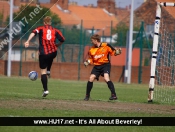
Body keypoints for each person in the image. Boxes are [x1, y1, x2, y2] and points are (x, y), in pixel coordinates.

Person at [24, 16, 65, 97]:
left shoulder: (40, 28)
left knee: (43, 72)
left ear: (44, 22)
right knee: (51, 56)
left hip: (43, 53)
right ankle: (49, 70)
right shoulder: (56, 30)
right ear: (50, 23)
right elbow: (62, 39)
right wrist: (58, 45)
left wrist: (28, 41)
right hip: (53, 52)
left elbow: (33, 33)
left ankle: (46, 90)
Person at [83, 34, 122, 101]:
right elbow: (91, 59)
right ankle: (87, 96)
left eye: (92, 40)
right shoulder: (91, 49)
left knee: (106, 78)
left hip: (105, 65)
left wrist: (117, 52)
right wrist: (88, 62)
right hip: (97, 66)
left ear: (96, 40)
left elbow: (113, 52)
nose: (91, 42)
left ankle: (114, 95)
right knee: (91, 78)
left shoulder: (106, 45)